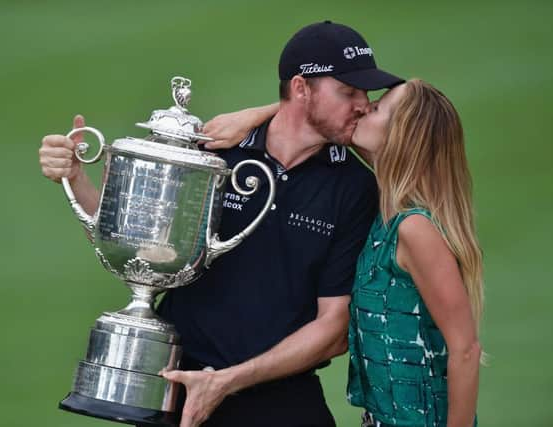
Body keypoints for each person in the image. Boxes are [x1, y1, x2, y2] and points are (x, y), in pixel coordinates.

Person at [39, 21, 404, 427]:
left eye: (366, 94)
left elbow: (333, 329)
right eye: (348, 92)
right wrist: (75, 176)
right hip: (178, 385)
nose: (365, 104)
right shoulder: (215, 153)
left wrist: (228, 381)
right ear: (301, 88)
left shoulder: (355, 188)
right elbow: (138, 245)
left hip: (278, 395)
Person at [205, 80, 484, 427]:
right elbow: (317, 121)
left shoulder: (415, 229)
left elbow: (466, 350)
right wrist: (257, 115)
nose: (365, 108)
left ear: (402, 136)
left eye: (379, 108)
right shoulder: (386, 214)